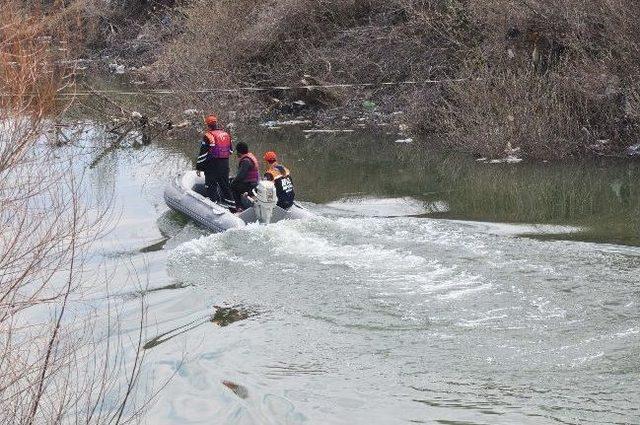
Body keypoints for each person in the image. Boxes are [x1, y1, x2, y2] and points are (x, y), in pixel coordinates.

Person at [196, 114, 234, 203]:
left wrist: (199, 167)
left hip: (212, 165)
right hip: (225, 165)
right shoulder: (226, 134)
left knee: (210, 185)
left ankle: (213, 204)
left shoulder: (208, 136)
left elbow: (203, 154)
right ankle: (233, 207)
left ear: (207, 125)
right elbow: (231, 151)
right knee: (225, 186)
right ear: (216, 123)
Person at [230, 142, 259, 211]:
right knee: (235, 182)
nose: (236, 153)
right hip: (253, 183)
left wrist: (233, 182)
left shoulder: (246, 161)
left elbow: (241, 176)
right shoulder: (249, 157)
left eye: (237, 151)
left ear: (239, 152)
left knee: (233, 186)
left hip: (249, 185)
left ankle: (238, 207)